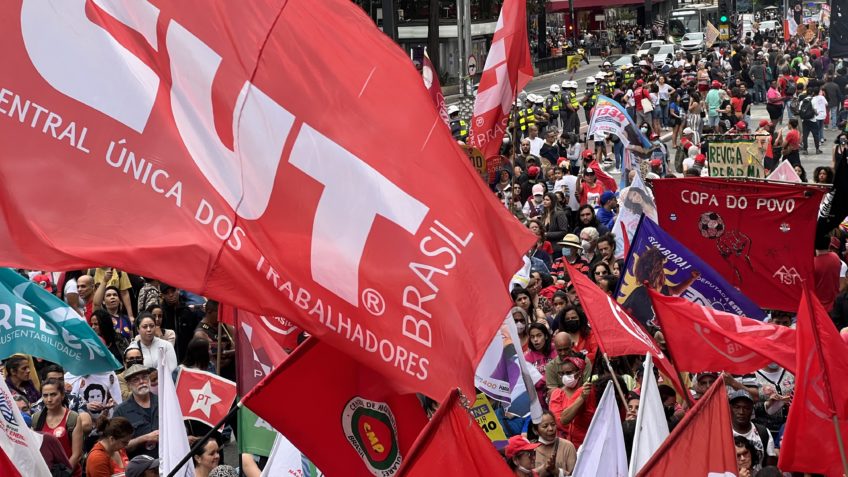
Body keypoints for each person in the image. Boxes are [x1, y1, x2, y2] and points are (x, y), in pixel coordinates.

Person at [32, 378, 83, 476]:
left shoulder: (72, 418)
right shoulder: (36, 418)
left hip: (70, 473)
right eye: (45, 395)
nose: (49, 399)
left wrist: (64, 474)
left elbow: (77, 455)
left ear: (62, 395)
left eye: (53, 394)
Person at [113, 364, 159, 459]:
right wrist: (144, 438)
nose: (141, 382)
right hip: (140, 467)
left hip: (168, 462)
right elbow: (116, 446)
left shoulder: (164, 402)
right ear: (129, 385)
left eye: (144, 377)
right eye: (136, 380)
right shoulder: (121, 412)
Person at [548, 356, 595, 448]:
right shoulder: (557, 394)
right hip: (564, 445)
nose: (565, 376)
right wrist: (581, 399)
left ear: (580, 373)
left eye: (569, 373)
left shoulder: (589, 391)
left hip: (587, 443)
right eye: (562, 373)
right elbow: (559, 421)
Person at [729, 389, 777, 471]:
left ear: (752, 410)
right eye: (737, 407)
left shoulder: (763, 432)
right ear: (730, 408)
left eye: (746, 408)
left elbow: (770, 469)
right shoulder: (722, 434)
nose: (741, 412)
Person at [532, 411, 577, 476]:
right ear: (535, 431)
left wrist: (557, 471)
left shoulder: (568, 446)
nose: (550, 429)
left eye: (553, 424)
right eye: (545, 426)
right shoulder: (531, 450)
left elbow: (576, 474)